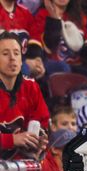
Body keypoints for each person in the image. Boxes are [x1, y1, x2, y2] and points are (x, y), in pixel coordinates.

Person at [0, 32, 48, 161]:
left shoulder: (30, 86)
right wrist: (11, 140)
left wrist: (39, 139)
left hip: (20, 160)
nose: (12, 58)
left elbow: (42, 122)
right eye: (5, 54)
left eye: (16, 53)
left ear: (22, 60)